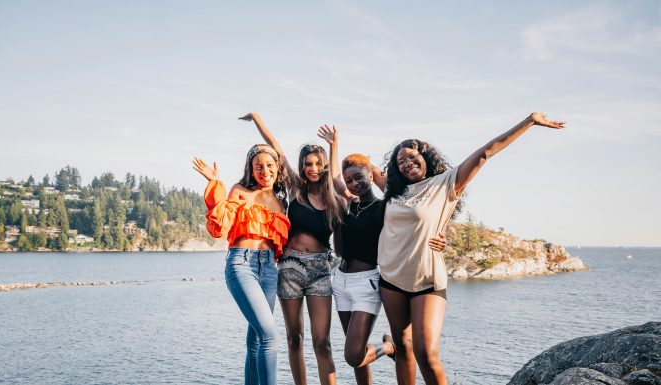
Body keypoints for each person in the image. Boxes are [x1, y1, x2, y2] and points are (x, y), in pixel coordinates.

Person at [378, 112, 565, 385]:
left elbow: (487, 152)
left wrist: (530, 121)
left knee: (426, 353)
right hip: (391, 279)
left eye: (412, 156)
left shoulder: (446, 183)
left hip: (427, 280)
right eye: (400, 161)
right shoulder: (394, 192)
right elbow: (364, 170)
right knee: (403, 347)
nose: (407, 163)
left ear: (425, 157)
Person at [317, 125, 446, 385]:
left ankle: (389, 348)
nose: (353, 183)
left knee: (353, 355)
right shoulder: (349, 202)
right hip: (341, 281)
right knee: (357, 351)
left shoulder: (385, 206)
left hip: (368, 281)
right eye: (349, 179)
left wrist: (442, 236)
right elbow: (334, 180)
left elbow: (417, 216)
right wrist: (333, 145)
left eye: (358, 177)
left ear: (370, 174)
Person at [240, 112, 345, 385]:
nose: (312, 168)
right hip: (290, 266)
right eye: (308, 163)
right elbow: (275, 146)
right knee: (294, 337)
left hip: (321, 269)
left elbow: (336, 179)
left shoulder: (333, 197)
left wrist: (334, 147)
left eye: (317, 164)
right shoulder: (296, 189)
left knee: (323, 342)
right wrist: (257, 119)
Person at [192, 143, 291, 385]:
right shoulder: (239, 191)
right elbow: (221, 223)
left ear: (277, 168)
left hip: (269, 269)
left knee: (257, 340)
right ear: (251, 169)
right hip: (241, 264)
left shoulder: (281, 202)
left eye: (269, 165)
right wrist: (214, 182)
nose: (264, 170)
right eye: (258, 166)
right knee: (270, 336)